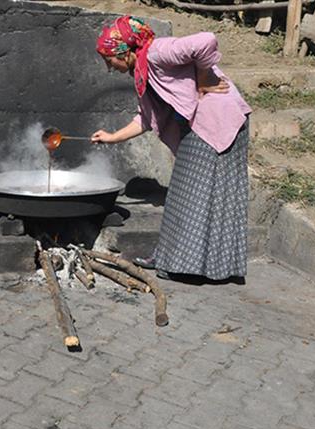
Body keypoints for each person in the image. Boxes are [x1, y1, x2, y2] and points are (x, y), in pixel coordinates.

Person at [90, 16, 252, 282]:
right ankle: (171, 259)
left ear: (125, 51)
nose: (110, 68)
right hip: (199, 126)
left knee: (206, 195)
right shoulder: (142, 72)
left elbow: (206, 40)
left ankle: (193, 266)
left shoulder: (157, 52)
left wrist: (203, 79)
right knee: (183, 194)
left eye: (110, 60)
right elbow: (147, 118)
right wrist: (112, 137)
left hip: (218, 121)